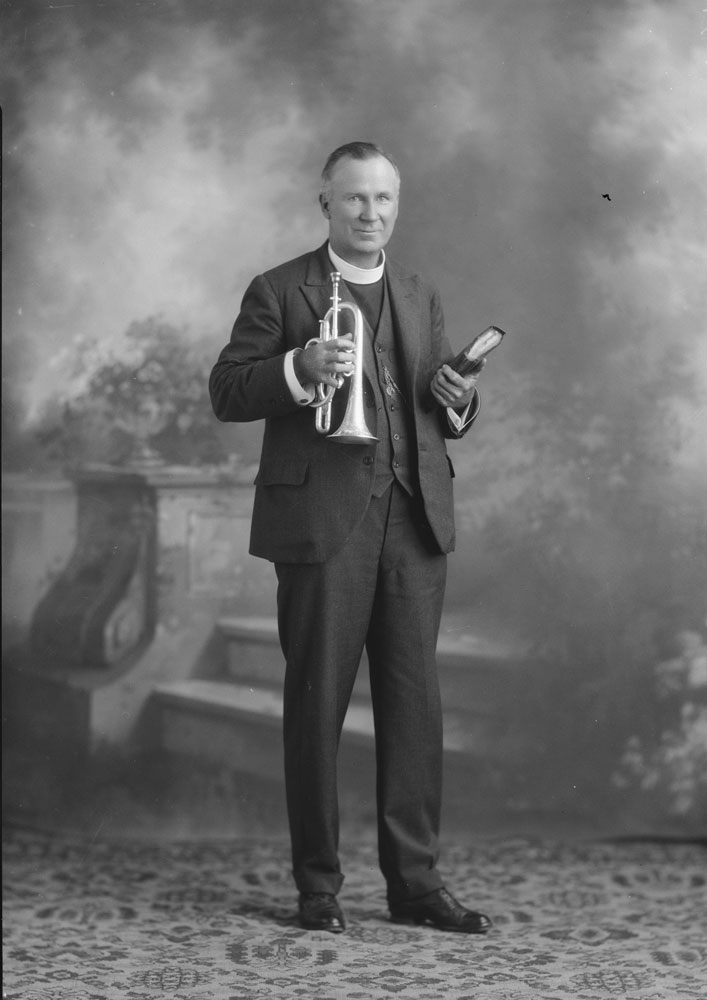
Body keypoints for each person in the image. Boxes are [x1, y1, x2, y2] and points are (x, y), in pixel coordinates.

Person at [209, 141, 492, 935]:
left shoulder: (418, 291)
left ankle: (415, 884)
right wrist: (299, 366)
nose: (371, 214)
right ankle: (318, 889)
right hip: (322, 526)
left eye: (384, 201)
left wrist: (458, 399)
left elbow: (439, 413)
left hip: (414, 522)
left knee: (414, 709)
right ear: (325, 203)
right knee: (315, 705)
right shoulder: (278, 288)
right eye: (356, 200)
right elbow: (227, 391)